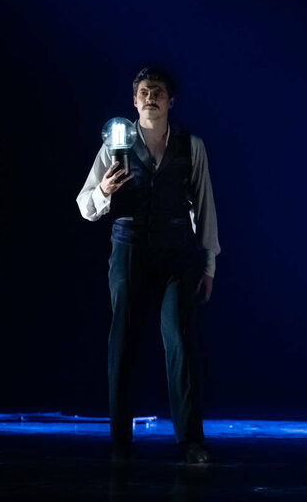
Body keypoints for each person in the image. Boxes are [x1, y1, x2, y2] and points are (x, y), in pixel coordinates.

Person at [76, 67, 220, 464]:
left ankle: (191, 441)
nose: (150, 97)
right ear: (134, 101)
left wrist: (209, 263)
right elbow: (85, 205)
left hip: (176, 255)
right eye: (144, 91)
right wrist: (103, 191)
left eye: (158, 91)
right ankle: (121, 443)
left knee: (180, 343)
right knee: (122, 344)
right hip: (130, 252)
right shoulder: (115, 145)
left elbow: (204, 206)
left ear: (171, 101)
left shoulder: (191, 147)